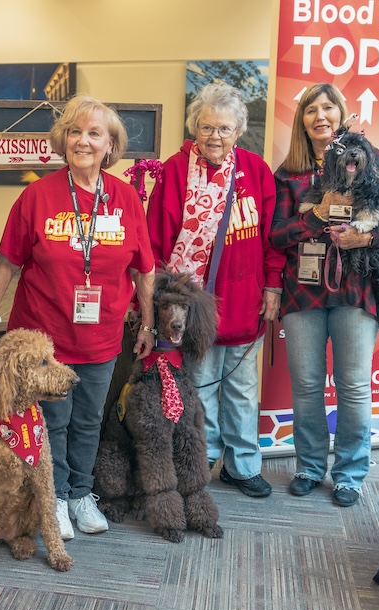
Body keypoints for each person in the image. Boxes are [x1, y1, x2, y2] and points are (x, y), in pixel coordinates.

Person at [0, 96, 156, 541]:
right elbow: (7, 262)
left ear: (110, 145)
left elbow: (144, 269)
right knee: (49, 421)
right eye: (75, 131)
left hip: (102, 334)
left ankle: (80, 493)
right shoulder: (37, 195)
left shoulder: (126, 198)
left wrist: (148, 324)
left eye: (95, 133)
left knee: (89, 419)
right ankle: (51, 496)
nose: (83, 140)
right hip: (43, 339)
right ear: (63, 140)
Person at [271, 82, 379, 507]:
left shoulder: (370, 160)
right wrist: (315, 215)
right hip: (302, 293)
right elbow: (277, 235)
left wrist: (365, 241)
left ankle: (350, 474)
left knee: (353, 385)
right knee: (307, 385)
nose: (320, 115)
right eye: (310, 109)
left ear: (340, 114)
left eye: (327, 107)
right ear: (302, 121)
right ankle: (310, 467)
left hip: (357, 290)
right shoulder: (288, 173)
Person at [147, 81, 284, 499]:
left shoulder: (256, 170)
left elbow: (271, 236)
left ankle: (243, 466)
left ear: (239, 130)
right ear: (194, 128)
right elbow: (155, 239)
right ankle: (200, 459)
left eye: (224, 129)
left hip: (245, 299)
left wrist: (273, 285)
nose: (215, 137)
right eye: (207, 128)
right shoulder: (174, 169)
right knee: (200, 384)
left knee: (242, 387)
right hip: (193, 307)